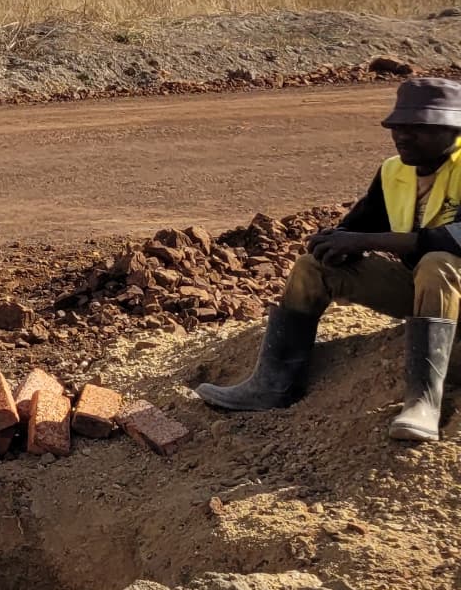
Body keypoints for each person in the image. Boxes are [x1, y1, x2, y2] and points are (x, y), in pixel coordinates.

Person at [197, 76, 461, 441]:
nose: (402, 135)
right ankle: (272, 385)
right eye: (397, 126)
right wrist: (335, 240)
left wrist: (363, 239)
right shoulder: (394, 171)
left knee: (438, 261)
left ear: (452, 129)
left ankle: (424, 403)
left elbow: (449, 238)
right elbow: (360, 224)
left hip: (447, 283)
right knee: (313, 268)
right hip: (423, 292)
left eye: (418, 127)